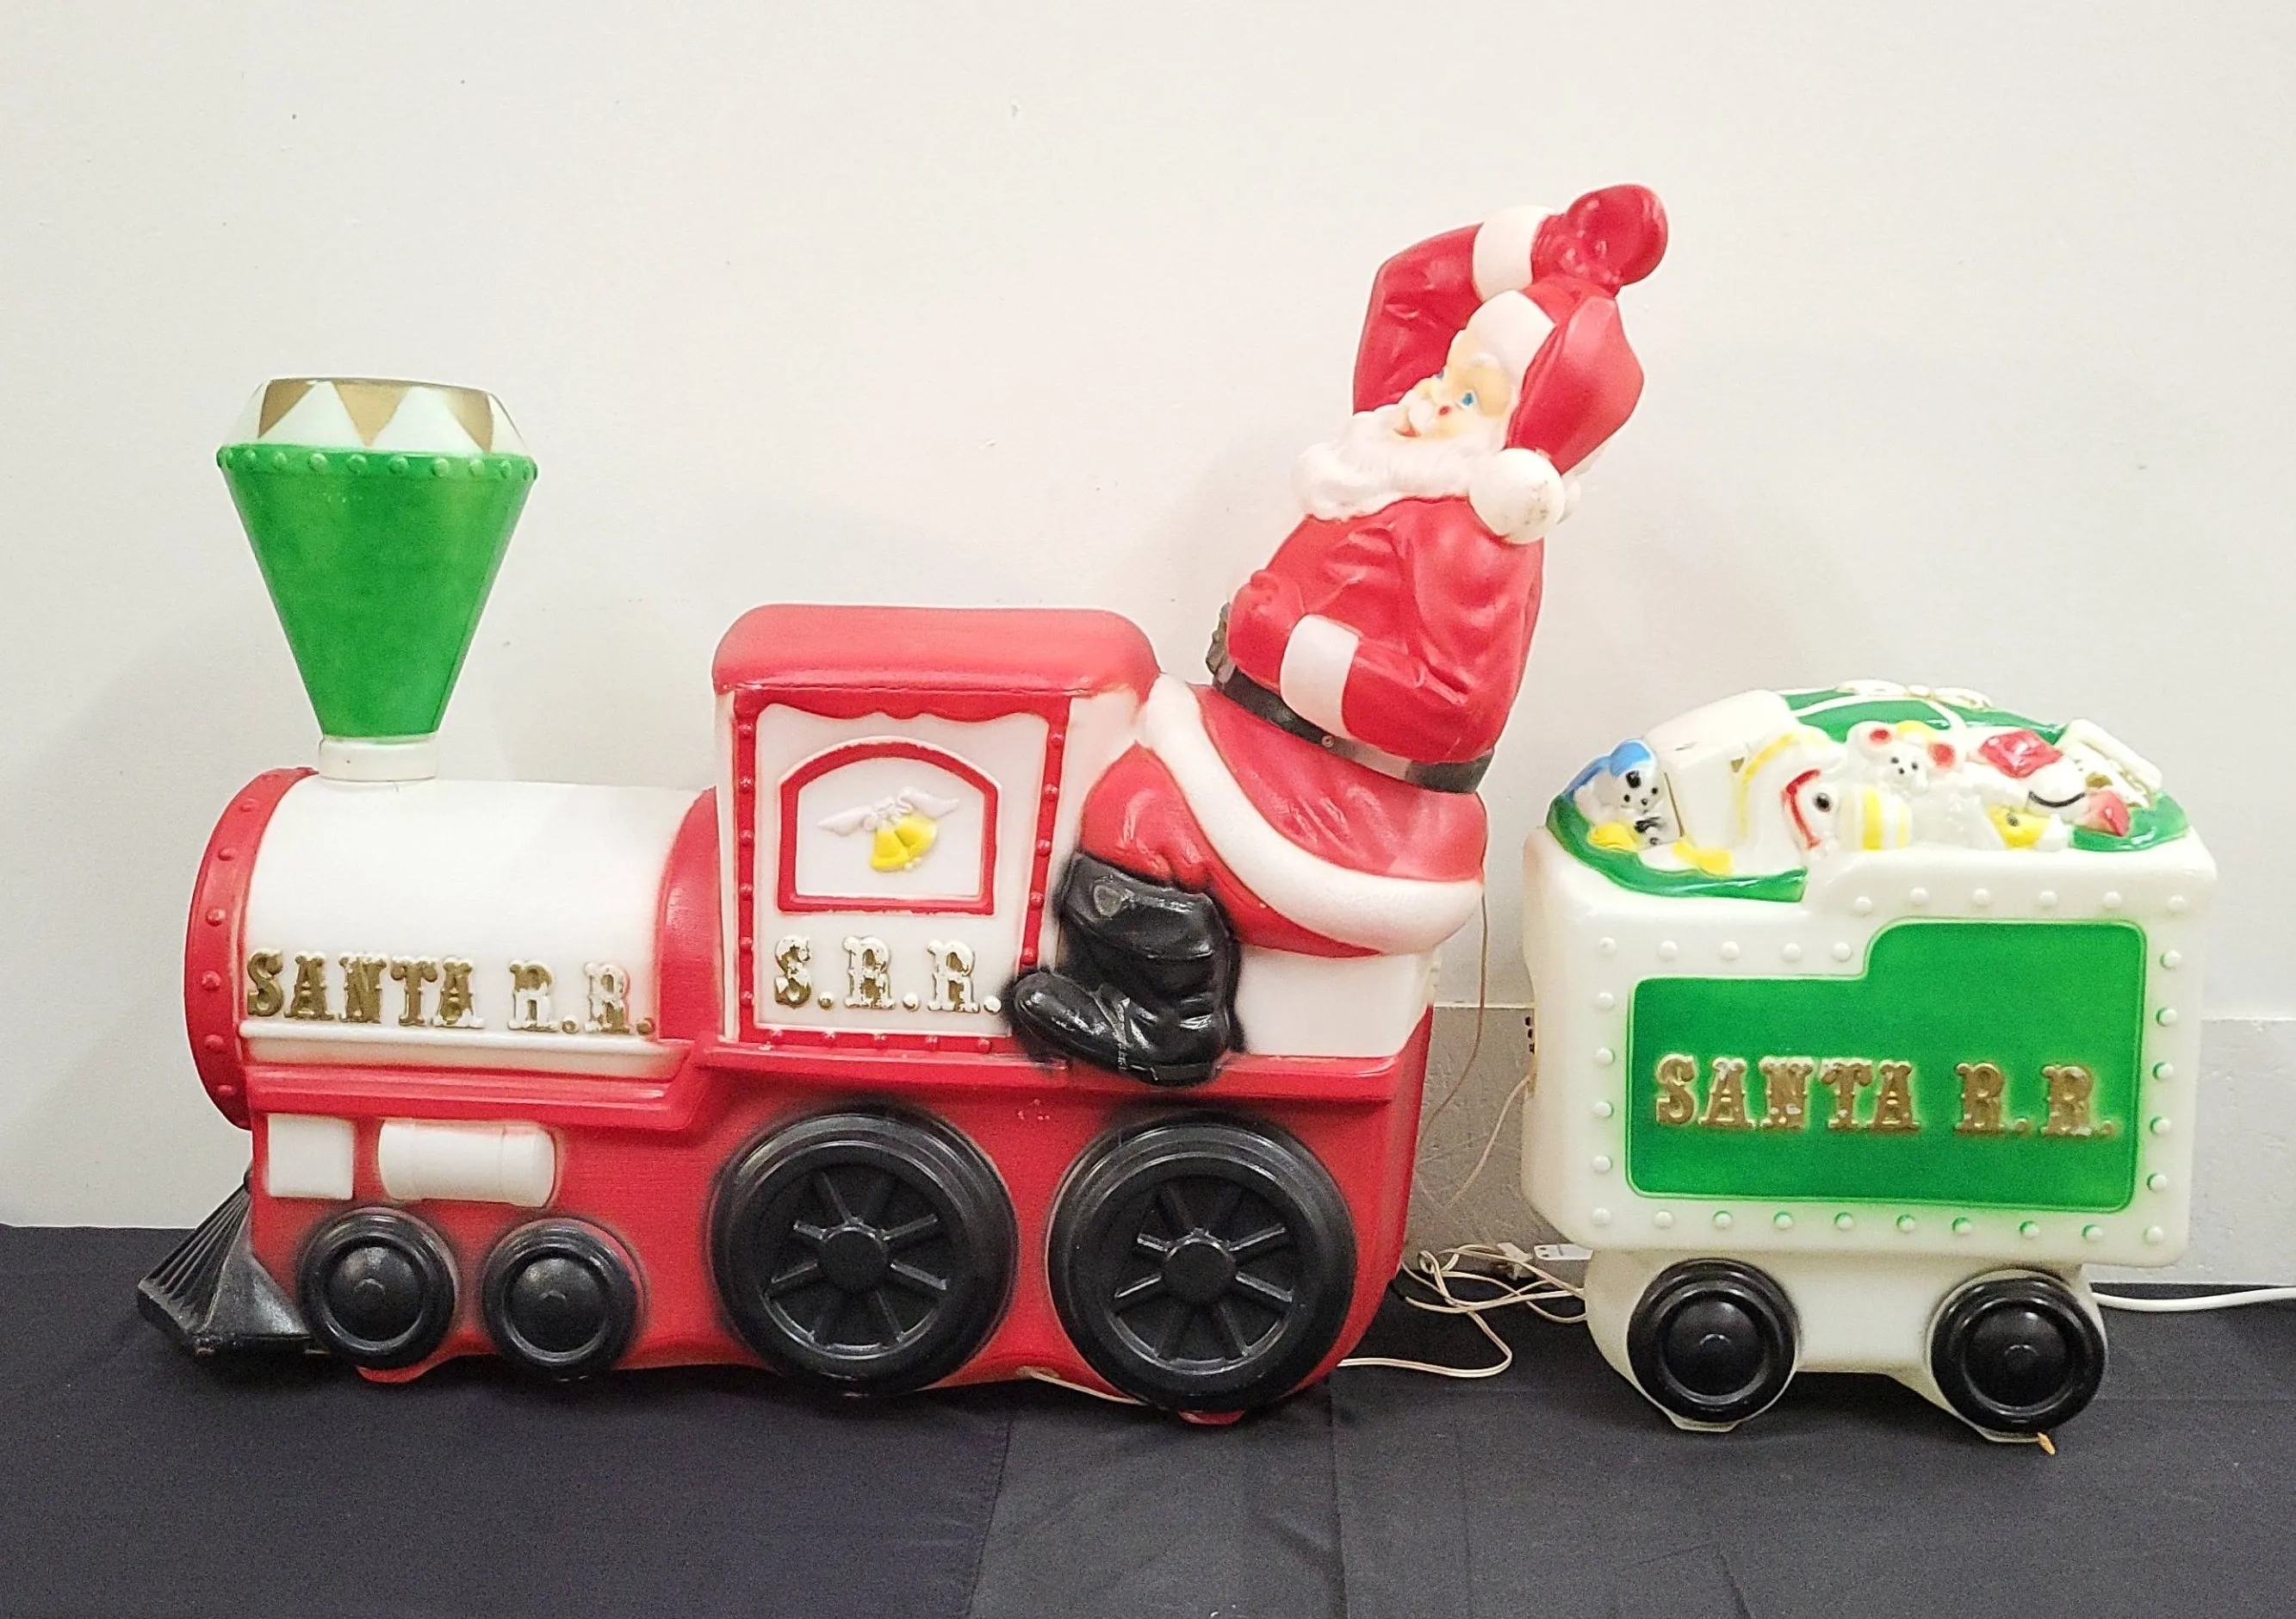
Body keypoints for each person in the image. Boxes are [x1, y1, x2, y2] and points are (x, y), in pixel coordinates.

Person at [1009, 185, 1669, 1083]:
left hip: (1352, 806)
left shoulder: (1469, 535)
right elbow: (1407, 293)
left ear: (1518, 438)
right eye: (1448, 368)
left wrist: (1284, 648)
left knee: (1136, 814)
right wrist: (1541, 248)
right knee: (1122, 766)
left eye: (1468, 390)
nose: (1428, 396)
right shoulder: (1403, 457)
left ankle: (1170, 1017)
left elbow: (1456, 709)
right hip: (1274, 753)